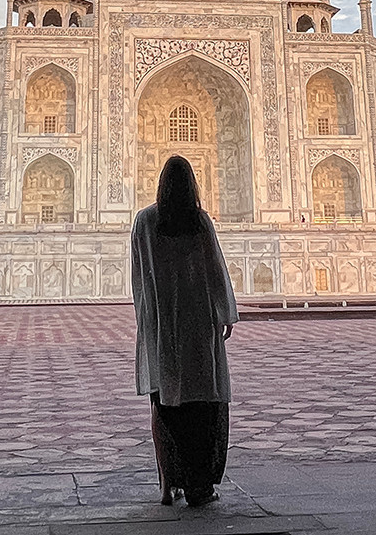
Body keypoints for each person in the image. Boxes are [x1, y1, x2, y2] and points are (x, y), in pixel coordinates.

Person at [131, 156, 238, 508]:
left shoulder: (145, 221)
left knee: (163, 406)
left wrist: (147, 320)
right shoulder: (198, 220)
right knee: (201, 407)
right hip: (196, 324)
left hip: (163, 325)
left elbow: (140, 278)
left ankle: (166, 486)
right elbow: (215, 271)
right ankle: (198, 486)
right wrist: (224, 314)